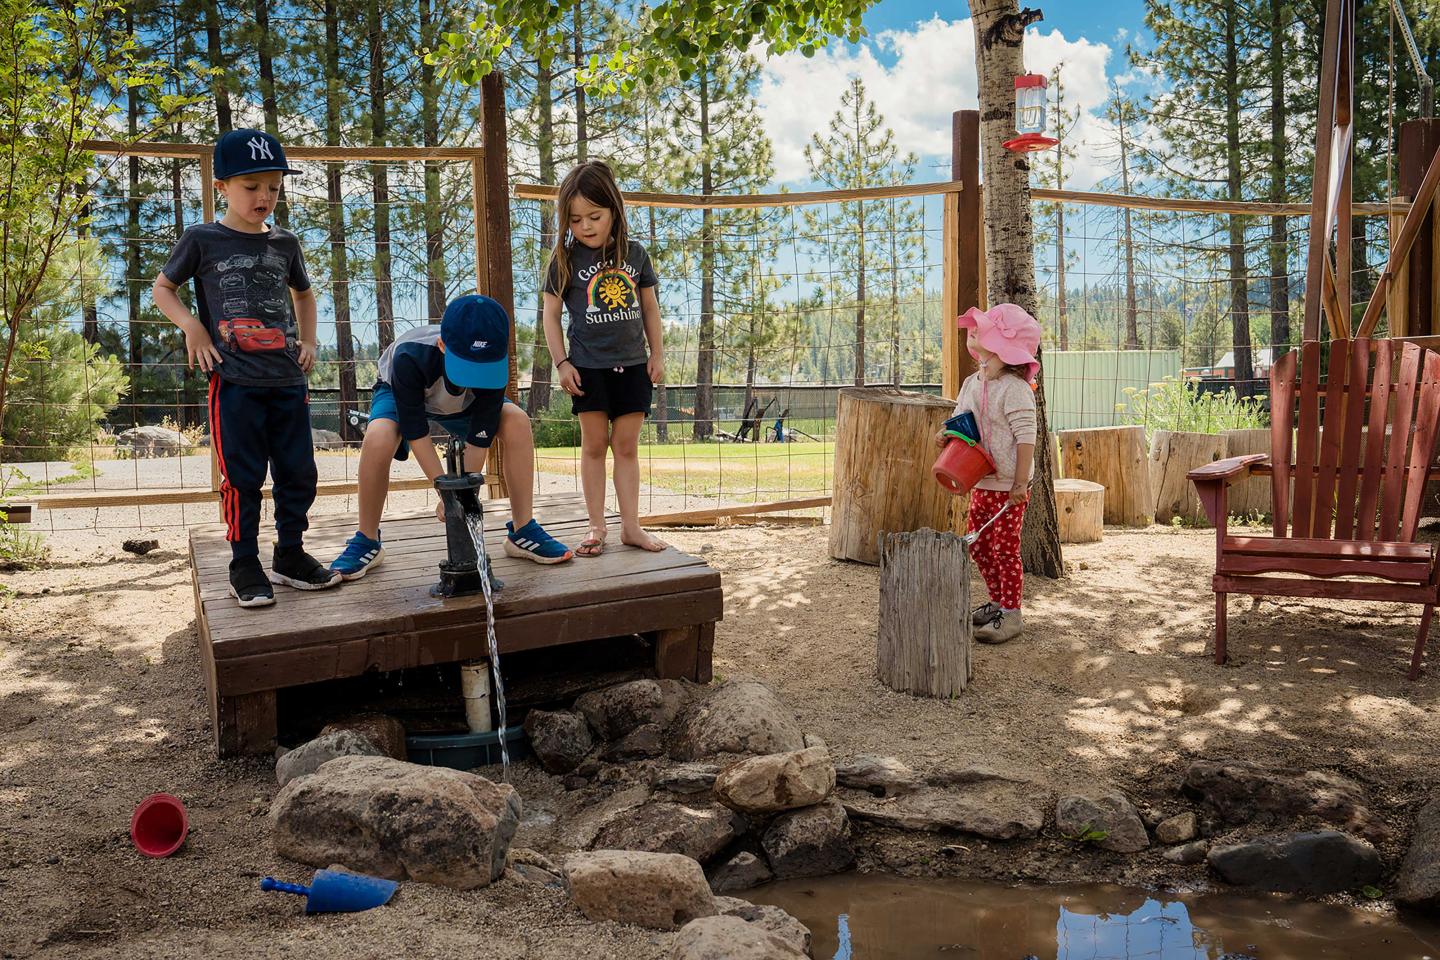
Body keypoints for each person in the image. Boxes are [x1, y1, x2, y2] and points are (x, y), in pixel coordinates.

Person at [153, 128, 340, 608]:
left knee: (299, 471)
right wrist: (193, 328)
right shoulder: (202, 239)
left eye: (273, 187)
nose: (264, 196)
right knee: (243, 476)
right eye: (251, 186)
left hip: (287, 379)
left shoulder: (286, 244)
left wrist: (311, 340)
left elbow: (304, 294)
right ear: (222, 188)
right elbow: (163, 289)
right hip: (234, 381)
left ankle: (290, 554)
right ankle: (244, 561)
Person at [328, 294, 573, 580]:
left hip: (463, 403)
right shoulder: (409, 356)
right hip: (404, 392)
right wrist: (446, 494)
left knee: (517, 421)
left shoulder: (494, 365)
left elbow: (479, 439)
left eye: (482, 367)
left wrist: (462, 497)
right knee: (379, 436)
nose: (474, 374)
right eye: (468, 366)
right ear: (442, 345)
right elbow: (417, 434)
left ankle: (523, 530)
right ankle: (367, 540)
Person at [541, 160, 666, 557]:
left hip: (633, 366)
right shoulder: (564, 258)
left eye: (595, 216)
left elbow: (650, 309)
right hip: (587, 369)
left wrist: (657, 353)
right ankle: (596, 526)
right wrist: (562, 363)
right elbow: (550, 314)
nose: (586, 227)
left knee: (626, 447)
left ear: (614, 210)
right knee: (594, 446)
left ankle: (631, 526)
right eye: (576, 220)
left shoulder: (636, 254)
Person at [935, 304, 1041, 644]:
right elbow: (960, 420)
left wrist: (1020, 483)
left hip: (1009, 484)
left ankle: (1011, 613)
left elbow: (1026, 438)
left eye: (982, 333)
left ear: (1004, 349)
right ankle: (997, 602)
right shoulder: (972, 382)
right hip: (981, 479)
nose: (974, 337)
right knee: (979, 545)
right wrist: (946, 434)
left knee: (1004, 548)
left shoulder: (1015, 389)